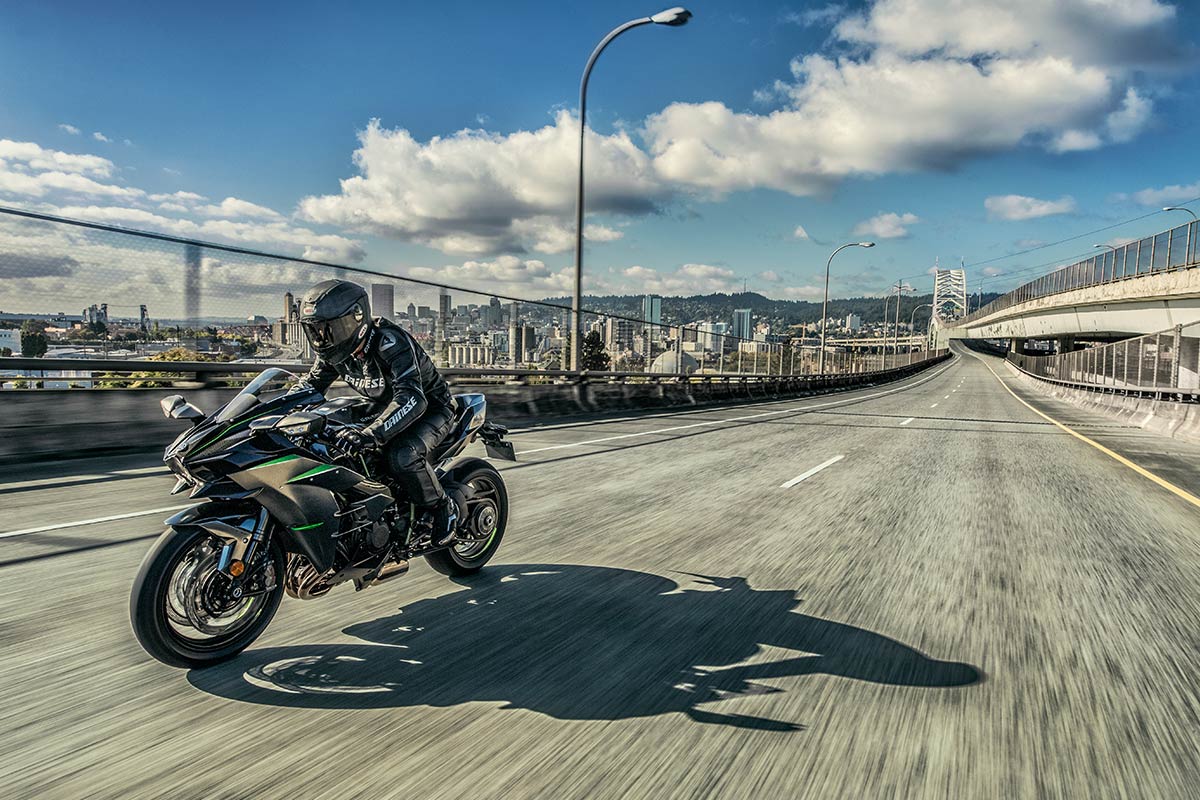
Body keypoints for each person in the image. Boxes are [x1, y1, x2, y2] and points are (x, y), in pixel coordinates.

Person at [294, 279, 457, 546]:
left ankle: (442, 507)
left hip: (431, 407)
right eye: (316, 331)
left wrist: (371, 434)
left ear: (356, 319)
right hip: (383, 408)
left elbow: (412, 397)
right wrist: (269, 414)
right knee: (325, 440)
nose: (322, 338)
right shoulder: (334, 353)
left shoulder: (390, 342)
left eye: (329, 329)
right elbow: (309, 388)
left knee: (402, 455)